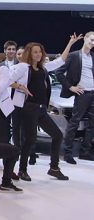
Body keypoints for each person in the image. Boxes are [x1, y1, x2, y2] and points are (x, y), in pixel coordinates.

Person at [10, 33, 82, 181]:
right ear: (29, 53)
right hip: (28, 108)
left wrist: (70, 43)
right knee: (29, 140)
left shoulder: (44, 68)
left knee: (57, 135)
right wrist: (20, 87)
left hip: (41, 109)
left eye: (40, 51)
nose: (38, 54)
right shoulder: (23, 67)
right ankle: (22, 170)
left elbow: (61, 60)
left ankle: (54, 168)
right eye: (35, 51)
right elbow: (7, 80)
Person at [55, 31, 94, 163]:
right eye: (91, 40)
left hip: (93, 93)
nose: (93, 43)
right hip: (82, 94)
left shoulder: (92, 57)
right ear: (86, 39)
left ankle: (85, 152)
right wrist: (71, 87)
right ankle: (67, 153)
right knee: (74, 122)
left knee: (92, 125)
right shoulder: (74, 56)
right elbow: (59, 72)